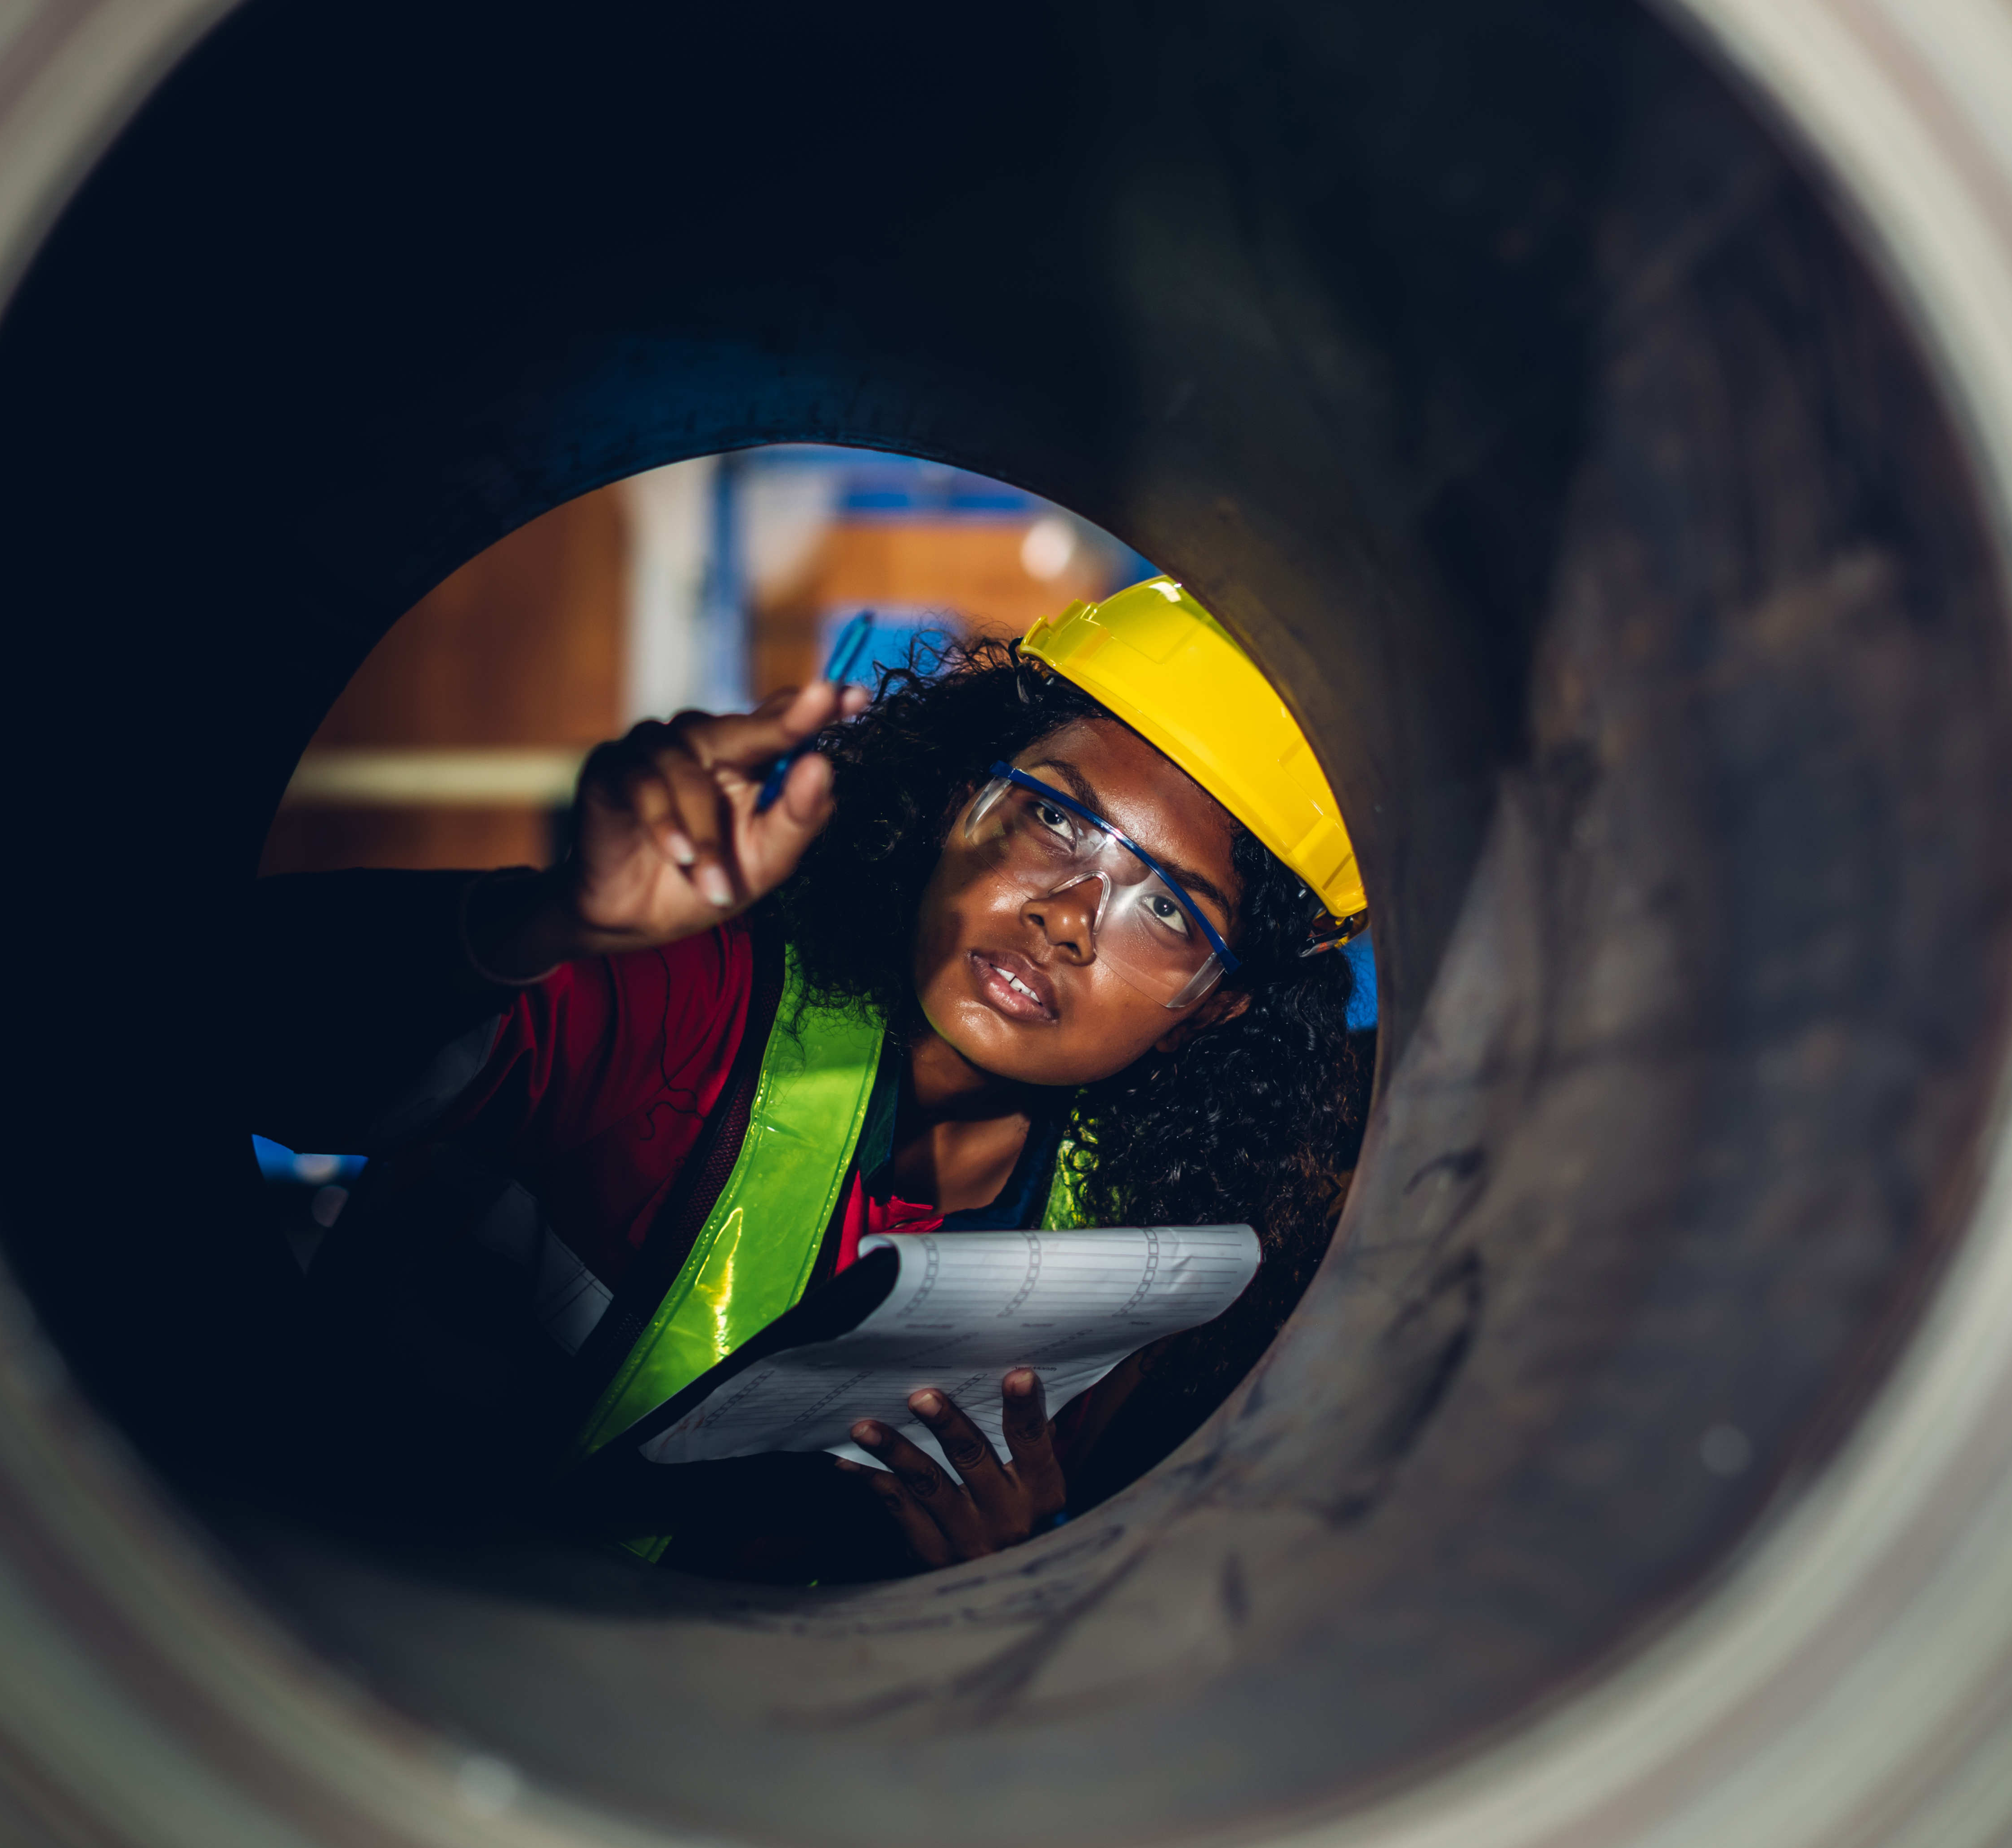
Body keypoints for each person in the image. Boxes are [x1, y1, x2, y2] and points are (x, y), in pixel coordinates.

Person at [246, 577, 1367, 1581]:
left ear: (1213, 1011)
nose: (1067, 917)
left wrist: (1000, 1574)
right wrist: (548, 918)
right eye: (1054, 817)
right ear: (948, 808)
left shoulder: (1125, 1257)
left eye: (1167, 907)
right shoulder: (703, 998)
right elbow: (263, 1041)